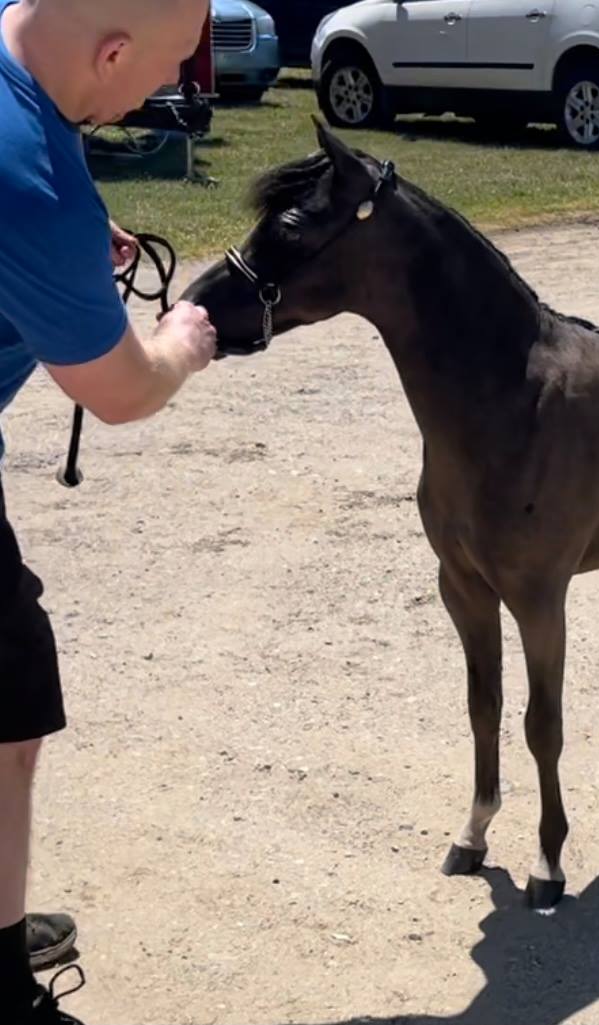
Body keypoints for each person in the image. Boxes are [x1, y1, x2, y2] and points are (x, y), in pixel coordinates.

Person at [0, 1, 219, 1021]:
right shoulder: (34, 191)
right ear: (114, 53)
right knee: (6, 703)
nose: (160, 94)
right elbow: (121, 389)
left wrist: (81, 235)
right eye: (165, 72)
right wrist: (181, 339)